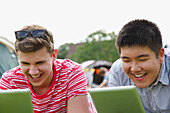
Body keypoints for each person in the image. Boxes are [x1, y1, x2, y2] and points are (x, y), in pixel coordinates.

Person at [0, 25, 97, 113]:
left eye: (40, 63)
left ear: (54, 55)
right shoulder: (10, 80)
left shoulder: (71, 72)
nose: (33, 71)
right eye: (25, 63)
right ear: (17, 56)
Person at [109, 19, 170, 112]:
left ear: (161, 55)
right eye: (126, 60)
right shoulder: (118, 71)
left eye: (142, 60)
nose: (134, 69)